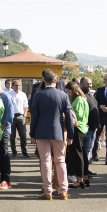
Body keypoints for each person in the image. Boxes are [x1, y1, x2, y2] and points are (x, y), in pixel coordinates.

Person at [30, 69, 74, 200]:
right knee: (60, 161)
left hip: (41, 132)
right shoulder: (63, 95)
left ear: (44, 80)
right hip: (58, 132)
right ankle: (63, 191)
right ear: (56, 80)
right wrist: (70, 135)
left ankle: (47, 191)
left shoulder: (38, 95)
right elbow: (69, 118)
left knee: (45, 162)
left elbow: (35, 116)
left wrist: (32, 133)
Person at [65, 81, 90, 189]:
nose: (68, 94)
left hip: (78, 128)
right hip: (82, 128)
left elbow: (77, 116)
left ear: (74, 90)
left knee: (77, 154)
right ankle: (84, 177)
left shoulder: (79, 100)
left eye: (68, 91)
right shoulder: (82, 99)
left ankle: (79, 180)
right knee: (82, 154)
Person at [80, 76, 99, 177]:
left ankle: (86, 170)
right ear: (81, 84)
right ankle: (83, 172)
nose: (89, 85)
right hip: (87, 129)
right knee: (85, 151)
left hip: (93, 128)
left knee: (88, 151)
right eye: (87, 84)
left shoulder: (90, 94)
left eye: (90, 84)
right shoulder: (81, 96)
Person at [9, 80, 30, 157]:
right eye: (16, 85)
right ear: (13, 86)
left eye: (19, 85)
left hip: (21, 116)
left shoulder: (23, 94)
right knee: (12, 136)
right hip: (12, 117)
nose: (18, 87)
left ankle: (24, 152)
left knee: (23, 135)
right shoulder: (9, 94)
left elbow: (25, 105)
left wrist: (24, 115)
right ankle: (14, 152)